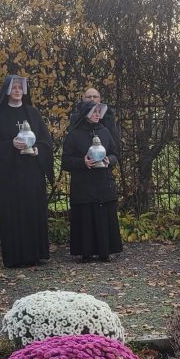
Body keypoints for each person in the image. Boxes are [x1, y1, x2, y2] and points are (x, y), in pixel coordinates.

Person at [0, 75, 54, 268]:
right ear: (7, 90)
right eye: (14, 87)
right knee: (13, 214)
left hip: (32, 172)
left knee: (33, 211)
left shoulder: (32, 113)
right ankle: (15, 257)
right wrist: (11, 144)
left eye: (20, 87)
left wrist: (37, 149)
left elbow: (46, 140)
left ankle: (36, 254)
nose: (17, 91)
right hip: (10, 175)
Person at [62, 100, 123, 262]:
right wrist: (82, 162)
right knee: (86, 217)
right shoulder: (74, 134)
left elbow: (115, 153)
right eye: (94, 112)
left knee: (103, 217)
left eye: (98, 112)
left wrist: (109, 160)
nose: (97, 115)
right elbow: (65, 161)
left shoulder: (105, 131)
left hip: (103, 182)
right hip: (83, 184)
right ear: (86, 114)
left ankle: (105, 251)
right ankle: (86, 252)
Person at [82, 86, 120, 154]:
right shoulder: (77, 119)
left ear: (99, 99)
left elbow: (114, 147)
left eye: (95, 97)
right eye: (89, 97)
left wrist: (109, 158)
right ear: (84, 99)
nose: (92, 99)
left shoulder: (108, 118)